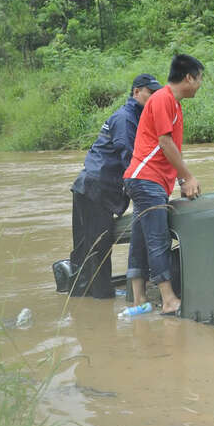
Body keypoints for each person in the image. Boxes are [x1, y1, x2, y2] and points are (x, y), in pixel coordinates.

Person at [67, 73, 162, 298]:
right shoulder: (126, 118)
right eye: (151, 93)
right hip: (96, 188)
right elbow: (128, 155)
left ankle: (84, 299)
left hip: (90, 187)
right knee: (98, 247)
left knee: (87, 247)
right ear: (136, 92)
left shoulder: (137, 116)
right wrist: (142, 188)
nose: (154, 98)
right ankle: (102, 298)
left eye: (157, 94)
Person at [123, 55, 204, 316]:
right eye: (200, 78)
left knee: (140, 238)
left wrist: (178, 177)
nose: (200, 84)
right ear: (189, 77)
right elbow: (165, 142)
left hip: (146, 178)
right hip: (147, 178)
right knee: (158, 239)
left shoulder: (174, 104)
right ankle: (169, 300)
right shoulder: (164, 99)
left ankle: (138, 300)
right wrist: (187, 177)